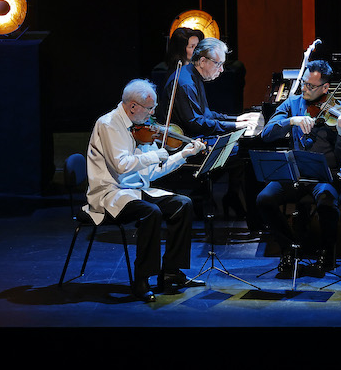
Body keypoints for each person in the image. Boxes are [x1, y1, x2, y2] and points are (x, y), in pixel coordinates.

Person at [84, 79, 206, 302]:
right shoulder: (109, 124)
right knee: (151, 212)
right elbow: (121, 165)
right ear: (133, 106)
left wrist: (182, 155)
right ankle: (142, 278)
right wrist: (155, 155)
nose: (153, 114)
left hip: (133, 190)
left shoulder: (140, 129)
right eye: (150, 108)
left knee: (182, 204)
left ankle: (171, 273)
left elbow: (150, 173)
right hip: (109, 193)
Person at [256, 59, 341, 277]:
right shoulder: (292, 104)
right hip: (296, 174)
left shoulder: (340, 112)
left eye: (311, 86)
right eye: (304, 83)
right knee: (264, 199)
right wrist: (292, 121)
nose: (305, 89)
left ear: (326, 88)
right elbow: (266, 133)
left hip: (327, 176)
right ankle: (289, 247)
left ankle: (327, 253)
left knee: (326, 201)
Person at [160, 37, 260, 220]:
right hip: (186, 145)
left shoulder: (192, 75)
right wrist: (236, 126)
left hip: (196, 137)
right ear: (203, 61)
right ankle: (248, 212)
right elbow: (196, 123)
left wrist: (236, 118)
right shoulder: (185, 82)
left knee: (243, 148)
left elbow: (205, 114)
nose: (221, 70)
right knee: (244, 151)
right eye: (218, 64)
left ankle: (230, 197)